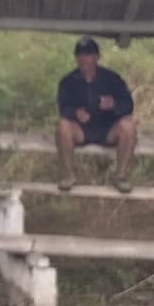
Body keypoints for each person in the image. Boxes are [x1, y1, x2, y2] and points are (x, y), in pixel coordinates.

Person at [55, 36, 137, 193]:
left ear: (97, 57)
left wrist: (114, 105)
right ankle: (68, 175)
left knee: (129, 125)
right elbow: (63, 107)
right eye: (80, 55)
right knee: (63, 125)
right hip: (82, 130)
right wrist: (75, 112)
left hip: (108, 130)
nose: (83, 59)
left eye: (88, 54)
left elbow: (128, 105)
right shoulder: (68, 81)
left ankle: (120, 176)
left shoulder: (112, 78)